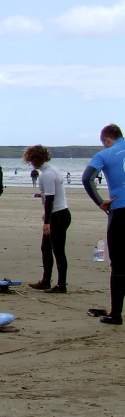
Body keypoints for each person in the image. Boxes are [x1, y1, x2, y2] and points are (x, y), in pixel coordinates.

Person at [82, 123, 125, 325]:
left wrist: (100, 202)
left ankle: (116, 314)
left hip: (120, 211)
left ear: (107, 140)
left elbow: (87, 178)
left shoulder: (105, 154)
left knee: (118, 264)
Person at [25, 145, 71, 293]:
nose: (31, 164)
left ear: (37, 159)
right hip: (57, 213)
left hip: (58, 216)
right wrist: (47, 213)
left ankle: (61, 285)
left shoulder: (48, 174)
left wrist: (47, 222)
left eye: (32, 161)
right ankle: (45, 280)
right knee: (46, 248)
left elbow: (50, 198)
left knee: (58, 251)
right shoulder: (50, 169)